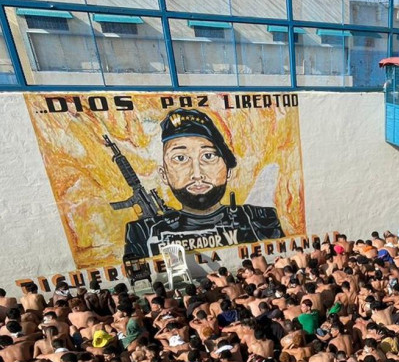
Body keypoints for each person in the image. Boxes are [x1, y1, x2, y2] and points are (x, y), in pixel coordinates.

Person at [122, 109, 285, 260]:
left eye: (208, 156)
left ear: (228, 169)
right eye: (180, 158)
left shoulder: (260, 220)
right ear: (164, 174)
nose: (197, 174)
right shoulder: (143, 233)